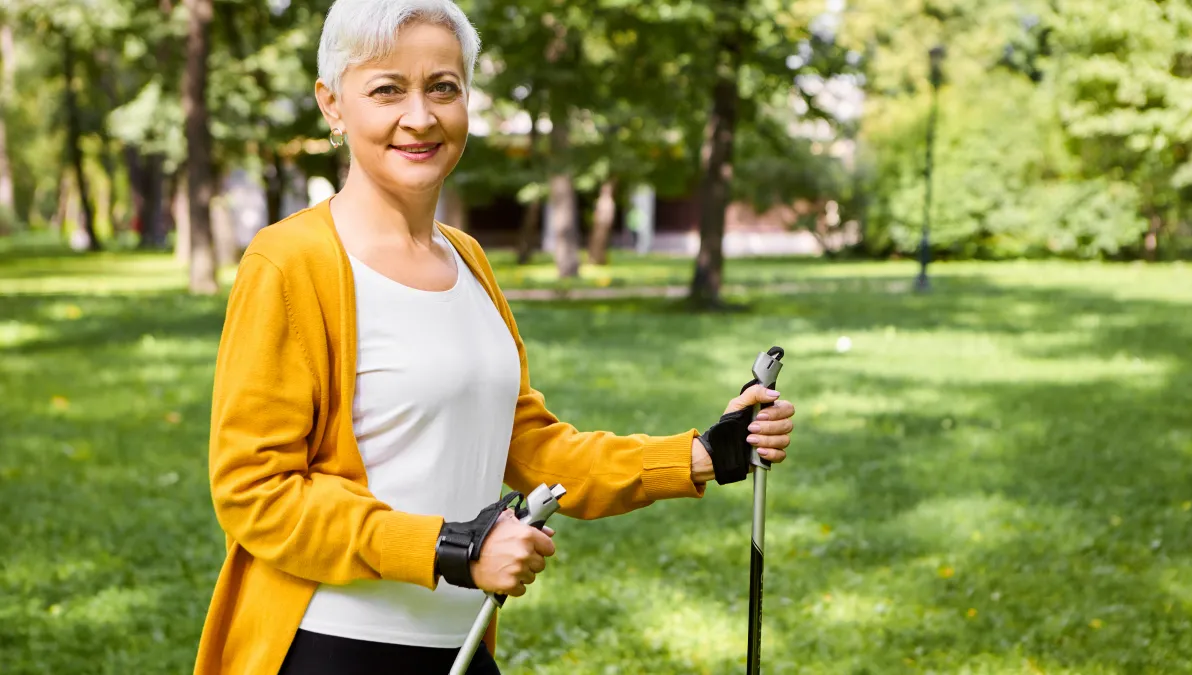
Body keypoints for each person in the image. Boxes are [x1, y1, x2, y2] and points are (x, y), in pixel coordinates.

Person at [191, 1, 796, 673]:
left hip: (460, 642)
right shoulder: (289, 261)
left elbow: (532, 446)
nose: (420, 116)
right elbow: (256, 490)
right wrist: (450, 547)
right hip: (335, 645)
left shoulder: (467, 259)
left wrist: (700, 453)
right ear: (333, 106)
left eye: (443, 87)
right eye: (387, 88)